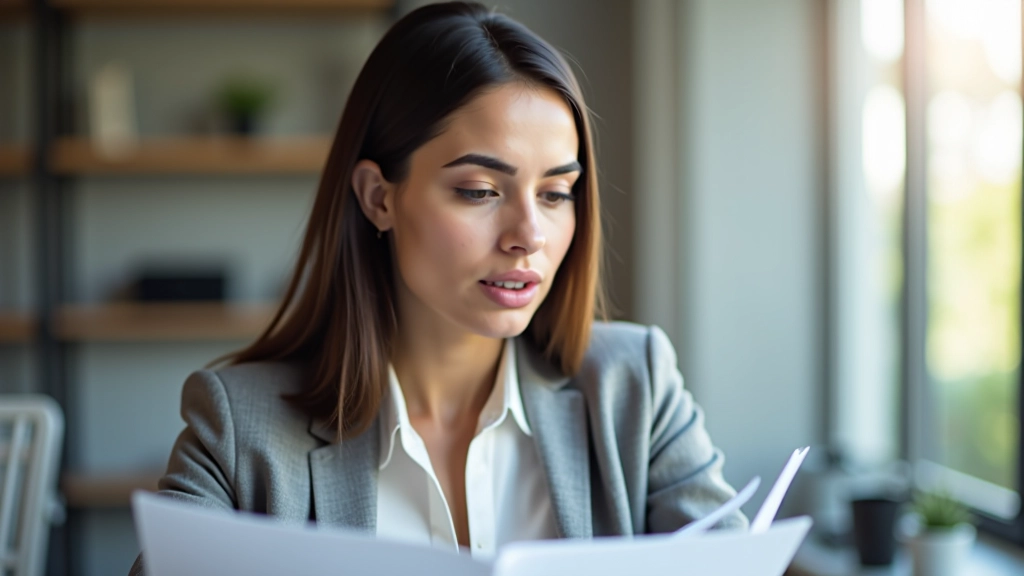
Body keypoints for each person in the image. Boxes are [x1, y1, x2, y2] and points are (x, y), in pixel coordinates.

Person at [130, 2, 744, 573]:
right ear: (379, 197)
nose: (528, 234)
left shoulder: (633, 386)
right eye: (480, 191)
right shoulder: (241, 427)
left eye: (556, 194)